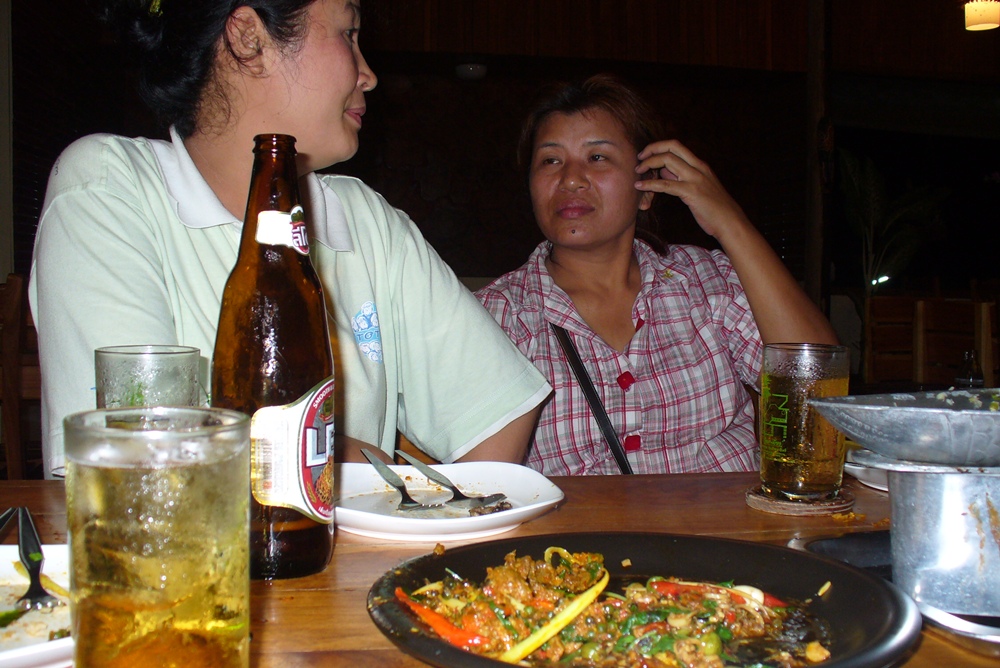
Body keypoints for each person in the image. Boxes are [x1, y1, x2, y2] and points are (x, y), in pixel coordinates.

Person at [29, 0, 549, 478]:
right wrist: (353, 461)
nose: (368, 74)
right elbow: (138, 458)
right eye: (348, 33)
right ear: (248, 36)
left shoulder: (363, 217)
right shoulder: (110, 187)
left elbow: (497, 413)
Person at [476, 75, 838, 476]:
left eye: (597, 157)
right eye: (550, 160)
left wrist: (730, 223)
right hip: (578, 521)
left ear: (647, 190)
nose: (571, 178)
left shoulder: (706, 282)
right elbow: (480, 481)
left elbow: (820, 388)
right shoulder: (494, 317)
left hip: (725, 516)